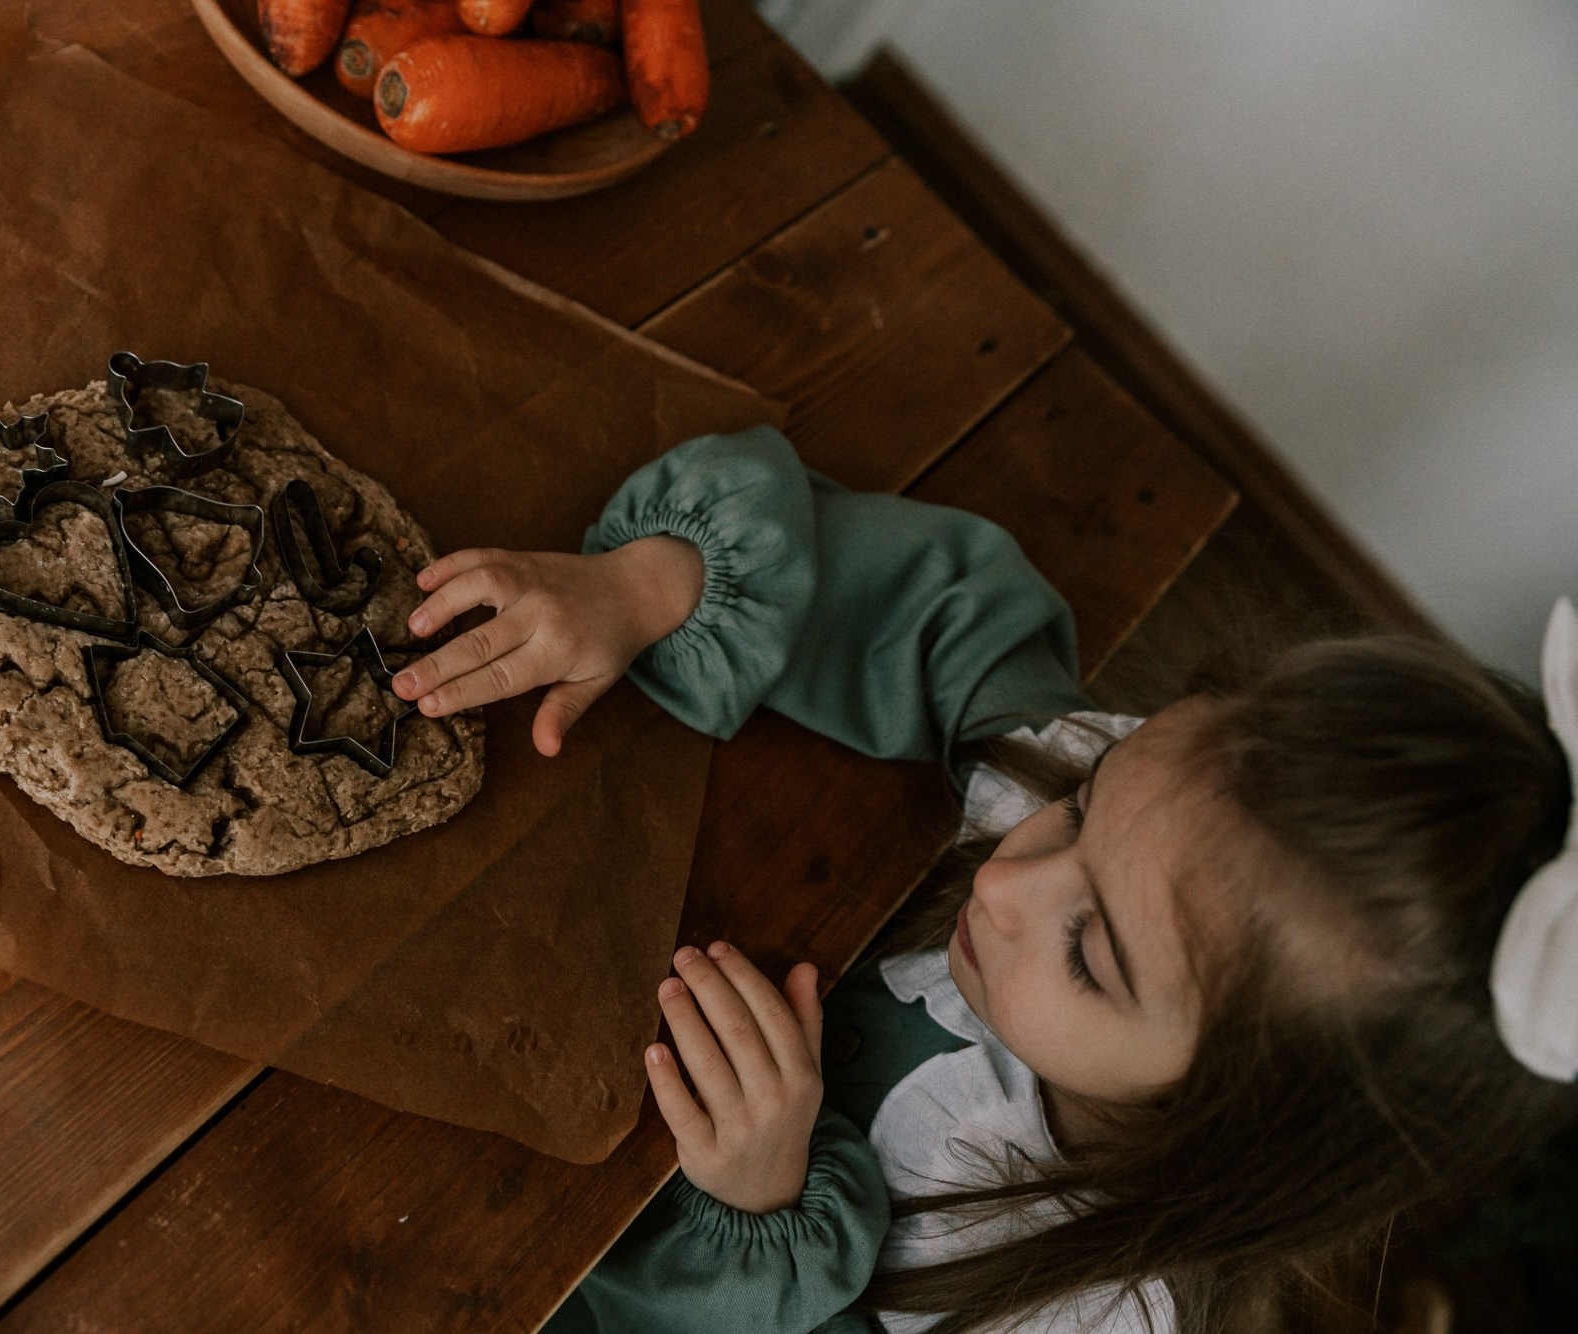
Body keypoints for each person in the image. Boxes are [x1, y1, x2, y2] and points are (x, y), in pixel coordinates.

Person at [389, 426, 1578, 1333]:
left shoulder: (1072, 1308)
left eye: (1089, 953)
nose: (1008, 884)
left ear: (1230, 1122)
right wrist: (658, 586)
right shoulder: (1109, 822)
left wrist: (758, 1220)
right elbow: (963, 616)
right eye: (1083, 797)